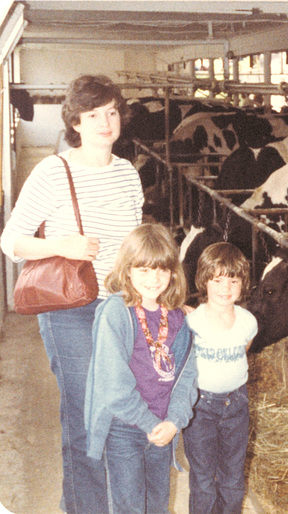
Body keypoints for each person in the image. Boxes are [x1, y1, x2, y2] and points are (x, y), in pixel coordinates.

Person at [0, 74, 144, 513]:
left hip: (123, 306)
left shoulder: (128, 173)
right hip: (73, 308)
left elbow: (135, 245)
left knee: (122, 414)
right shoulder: (53, 170)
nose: (106, 122)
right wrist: (62, 245)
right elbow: (11, 241)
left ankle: (79, 504)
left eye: (113, 112)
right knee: (86, 417)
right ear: (75, 123)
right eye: (94, 114)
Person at [85, 223, 197, 513]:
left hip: (164, 429)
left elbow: (188, 377)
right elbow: (113, 384)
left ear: (173, 272)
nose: (154, 278)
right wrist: (150, 424)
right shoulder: (115, 313)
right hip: (126, 428)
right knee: (130, 509)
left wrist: (174, 421)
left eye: (161, 269)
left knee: (158, 506)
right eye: (144, 270)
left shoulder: (180, 319)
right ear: (127, 270)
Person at [183, 242, 258, 514]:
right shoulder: (192, 322)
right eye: (217, 280)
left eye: (233, 281)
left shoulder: (248, 321)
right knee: (203, 478)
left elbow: (245, 349)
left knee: (233, 477)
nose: (226, 288)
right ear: (204, 281)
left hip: (237, 404)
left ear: (243, 284)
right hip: (200, 407)